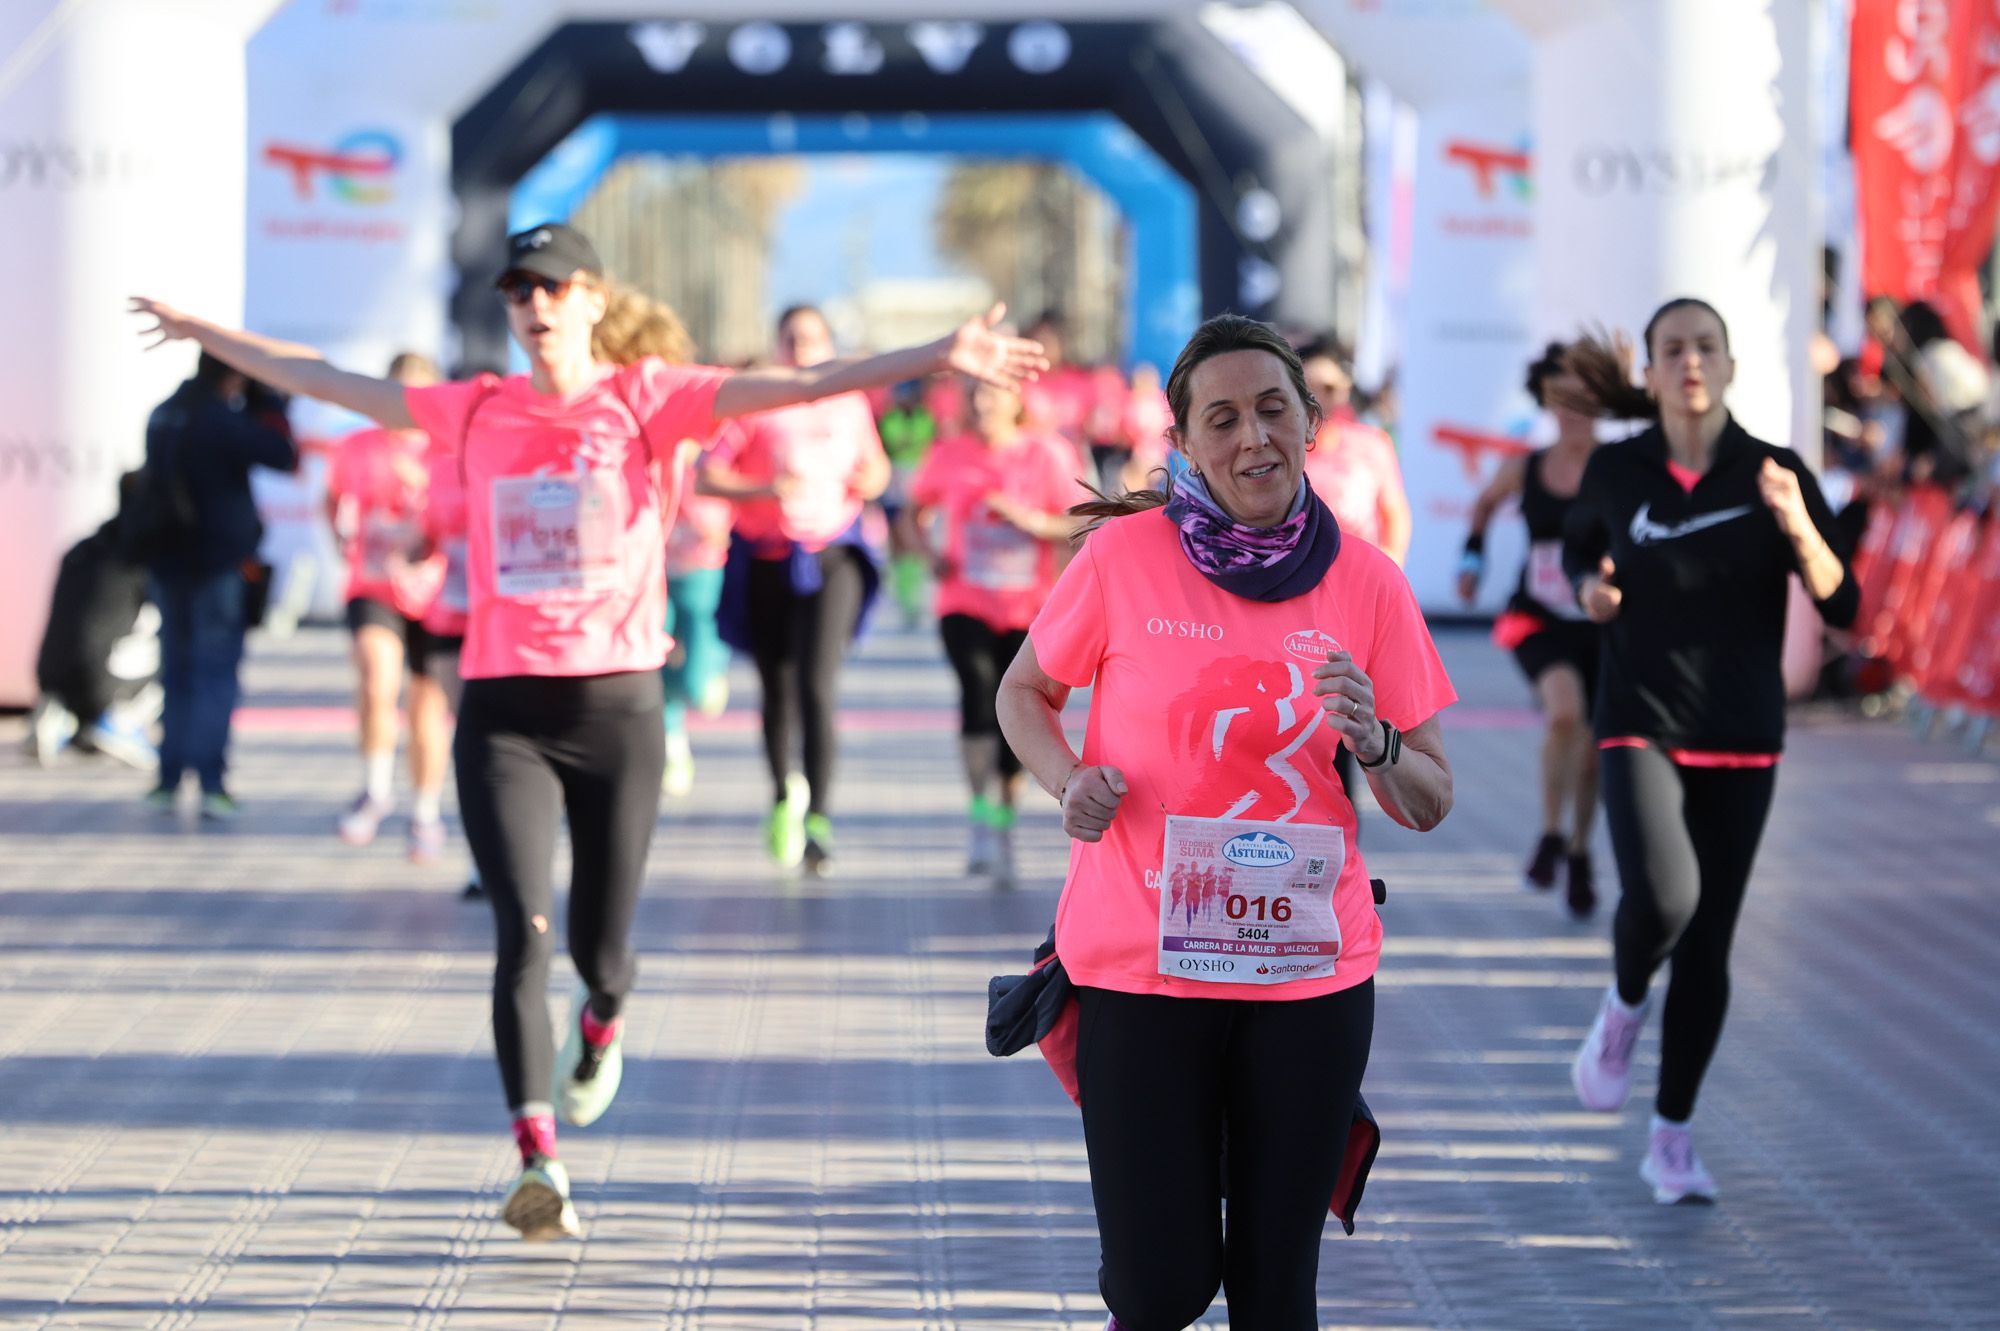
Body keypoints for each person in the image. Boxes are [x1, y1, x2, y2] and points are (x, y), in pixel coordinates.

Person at [130, 220, 1044, 1242]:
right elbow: (326, 379)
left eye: (554, 287)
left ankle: (603, 1017)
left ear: (593, 301)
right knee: (520, 936)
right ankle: (537, 1158)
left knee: (599, 949)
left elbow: (799, 384)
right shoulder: (477, 407)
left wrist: (938, 354)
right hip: (504, 711)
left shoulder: (648, 398)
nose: (535, 304)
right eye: (519, 290)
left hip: (617, 707)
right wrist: (203, 332)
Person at [996, 314, 1456, 1330]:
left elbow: (1429, 794)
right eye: (1222, 418)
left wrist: (1375, 739)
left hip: (1306, 976)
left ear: (1311, 422)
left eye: (1272, 409)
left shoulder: (1368, 582)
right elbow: (1022, 691)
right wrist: (1068, 781)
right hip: (1142, 969)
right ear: (1184, 443)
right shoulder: (1122, 558)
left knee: (1274, 1290)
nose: (1253, 436)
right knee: (1158, 1286)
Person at [1561, 297, 1858, 1205]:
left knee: (1709, 943)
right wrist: (1592, 592)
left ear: (1729, 366)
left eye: (1705, 347)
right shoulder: (1616, 468)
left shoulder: (1775, 470)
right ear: (1650, 372)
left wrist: (1797, 523)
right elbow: (1579, 559)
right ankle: (1624, 1001)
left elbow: (1844, 605)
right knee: (1665, 898)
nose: (1690, 361)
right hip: (1639, 717)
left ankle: (1672, 1139)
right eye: (1673, 349)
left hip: (1742, 731)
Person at [700, 305, 893, 876]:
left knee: (817, 685)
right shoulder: (756, 402)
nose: (802, 348)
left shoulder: (849, 402)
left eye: (813, 338)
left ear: (829, 345)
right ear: (777, 345)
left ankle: (820, 821)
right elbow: (707, 475)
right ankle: (785, 795)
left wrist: (870, 480)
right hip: (769, 559)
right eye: (792, 338)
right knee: (778, 689)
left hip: (833, 555)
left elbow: (878, 471)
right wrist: (766, 488)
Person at [899, 372, 1085, 881]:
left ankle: (1002, 815)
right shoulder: (949, 452)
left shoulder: (1046, 454)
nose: (982, 402)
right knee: (978, 695)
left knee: (1018, 714)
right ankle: (980, 810)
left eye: (992, 392)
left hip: (1032, 609)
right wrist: (929, 555)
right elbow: (911, 514)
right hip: (964, 601)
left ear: (1015, 399)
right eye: (974, 392)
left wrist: (1030, 522)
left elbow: (1080, 521)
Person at [1457, 341, 1604, 915]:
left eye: (1586, 400)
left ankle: (1581, 850)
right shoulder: (1528, 466)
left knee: (1593, 751)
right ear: (1547, 401)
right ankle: (1549, 833)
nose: (1574, 412)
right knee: (1565, 714)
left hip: (1605, 621)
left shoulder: (1620, 468)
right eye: (1564, 399)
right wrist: (1471, 562)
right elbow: (1484, 505)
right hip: (1541, 616)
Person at [137, 352, 299, 818]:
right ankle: (211, 783)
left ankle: (168, 779)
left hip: (168, 564)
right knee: (213, 674)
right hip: (216, 567)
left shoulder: (165, 414)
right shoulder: (221, 420)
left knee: (177, 672)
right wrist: (268, 402)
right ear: (234, 376)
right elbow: (283, 454)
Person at [325, 353, 455, 860]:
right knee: (376, 679)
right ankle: (375, 789)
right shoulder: (357, 446)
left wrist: (422, 490)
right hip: (374, 585)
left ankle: (424, 813)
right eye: (397, 394)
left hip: (436, 592)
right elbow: (330, 498)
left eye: (418, 396)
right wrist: (343, 541)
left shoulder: (448, 450)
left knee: (427, 706)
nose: (405, 408)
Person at [1297, 338, 1411, 565]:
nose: (1317, 398)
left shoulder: (1372, 444)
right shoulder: (1282, 449)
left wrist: (1391, 563)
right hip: (1302, 573)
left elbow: (1395, 512)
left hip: (1362, 571)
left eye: (1329, 388)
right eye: (1308, 388)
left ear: (1345, 390)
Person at [878, 378, 941, 626]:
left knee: (915, 539)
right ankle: (903, 595)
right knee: (897, 545)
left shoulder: (927, 419)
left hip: (919, 490)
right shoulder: (887, 419)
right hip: (893, 488)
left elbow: (934, 450)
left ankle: (914, 596)